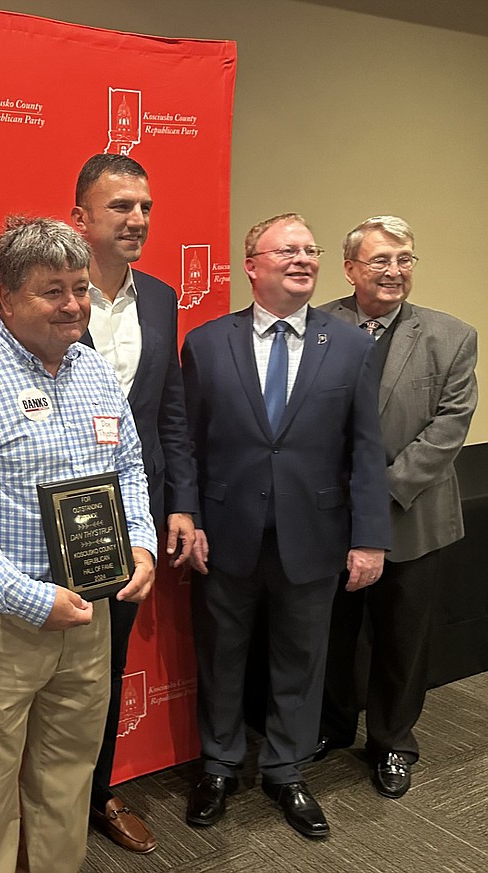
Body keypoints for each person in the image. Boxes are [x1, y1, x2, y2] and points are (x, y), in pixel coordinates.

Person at [0, 217, 158, 873]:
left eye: (80, 287)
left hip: (90, 612)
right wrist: (26, 596)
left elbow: (129, 469)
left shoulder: (96, 373)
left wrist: (141, 544)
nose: (73, 304)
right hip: (2, 624)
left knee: (67, 780)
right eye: (53, 290)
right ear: (6, 296)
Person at [180, 213, 390, 839]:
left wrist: (369, 537)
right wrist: (187, 517)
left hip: (315, 535)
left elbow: (365, 449)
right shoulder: (206, 342)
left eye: (310, 250)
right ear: (252, 265)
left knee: (302, 657)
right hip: (225, 531)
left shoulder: (352, 346)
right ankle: (218, 766)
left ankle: (287, 771)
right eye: (287, 250)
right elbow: (187, 443)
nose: (302, 259)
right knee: (221, 656)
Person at [316, 216, 477, 798]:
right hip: (327, 514)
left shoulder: (452, 336)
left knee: (402, 639)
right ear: (351, 268)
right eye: (381, 260)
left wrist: (375, 493)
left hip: (412, 515)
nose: (395, 271)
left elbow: (448, 428)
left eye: (405, 259)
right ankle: (332, 726)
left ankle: (392, 743)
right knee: (332, 633)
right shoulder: (316, 326)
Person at [71, 153, 198, 854]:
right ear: (81, 217)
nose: (138, 219)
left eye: (145, 206)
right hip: (58, 519)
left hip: (136, 516)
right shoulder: (49, 294)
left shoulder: (161, 296)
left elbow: (168, 409)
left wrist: (177, 501)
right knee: (52, 667)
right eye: (121, 206)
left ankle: (96, 793)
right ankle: (45, 801)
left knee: (110, 664)